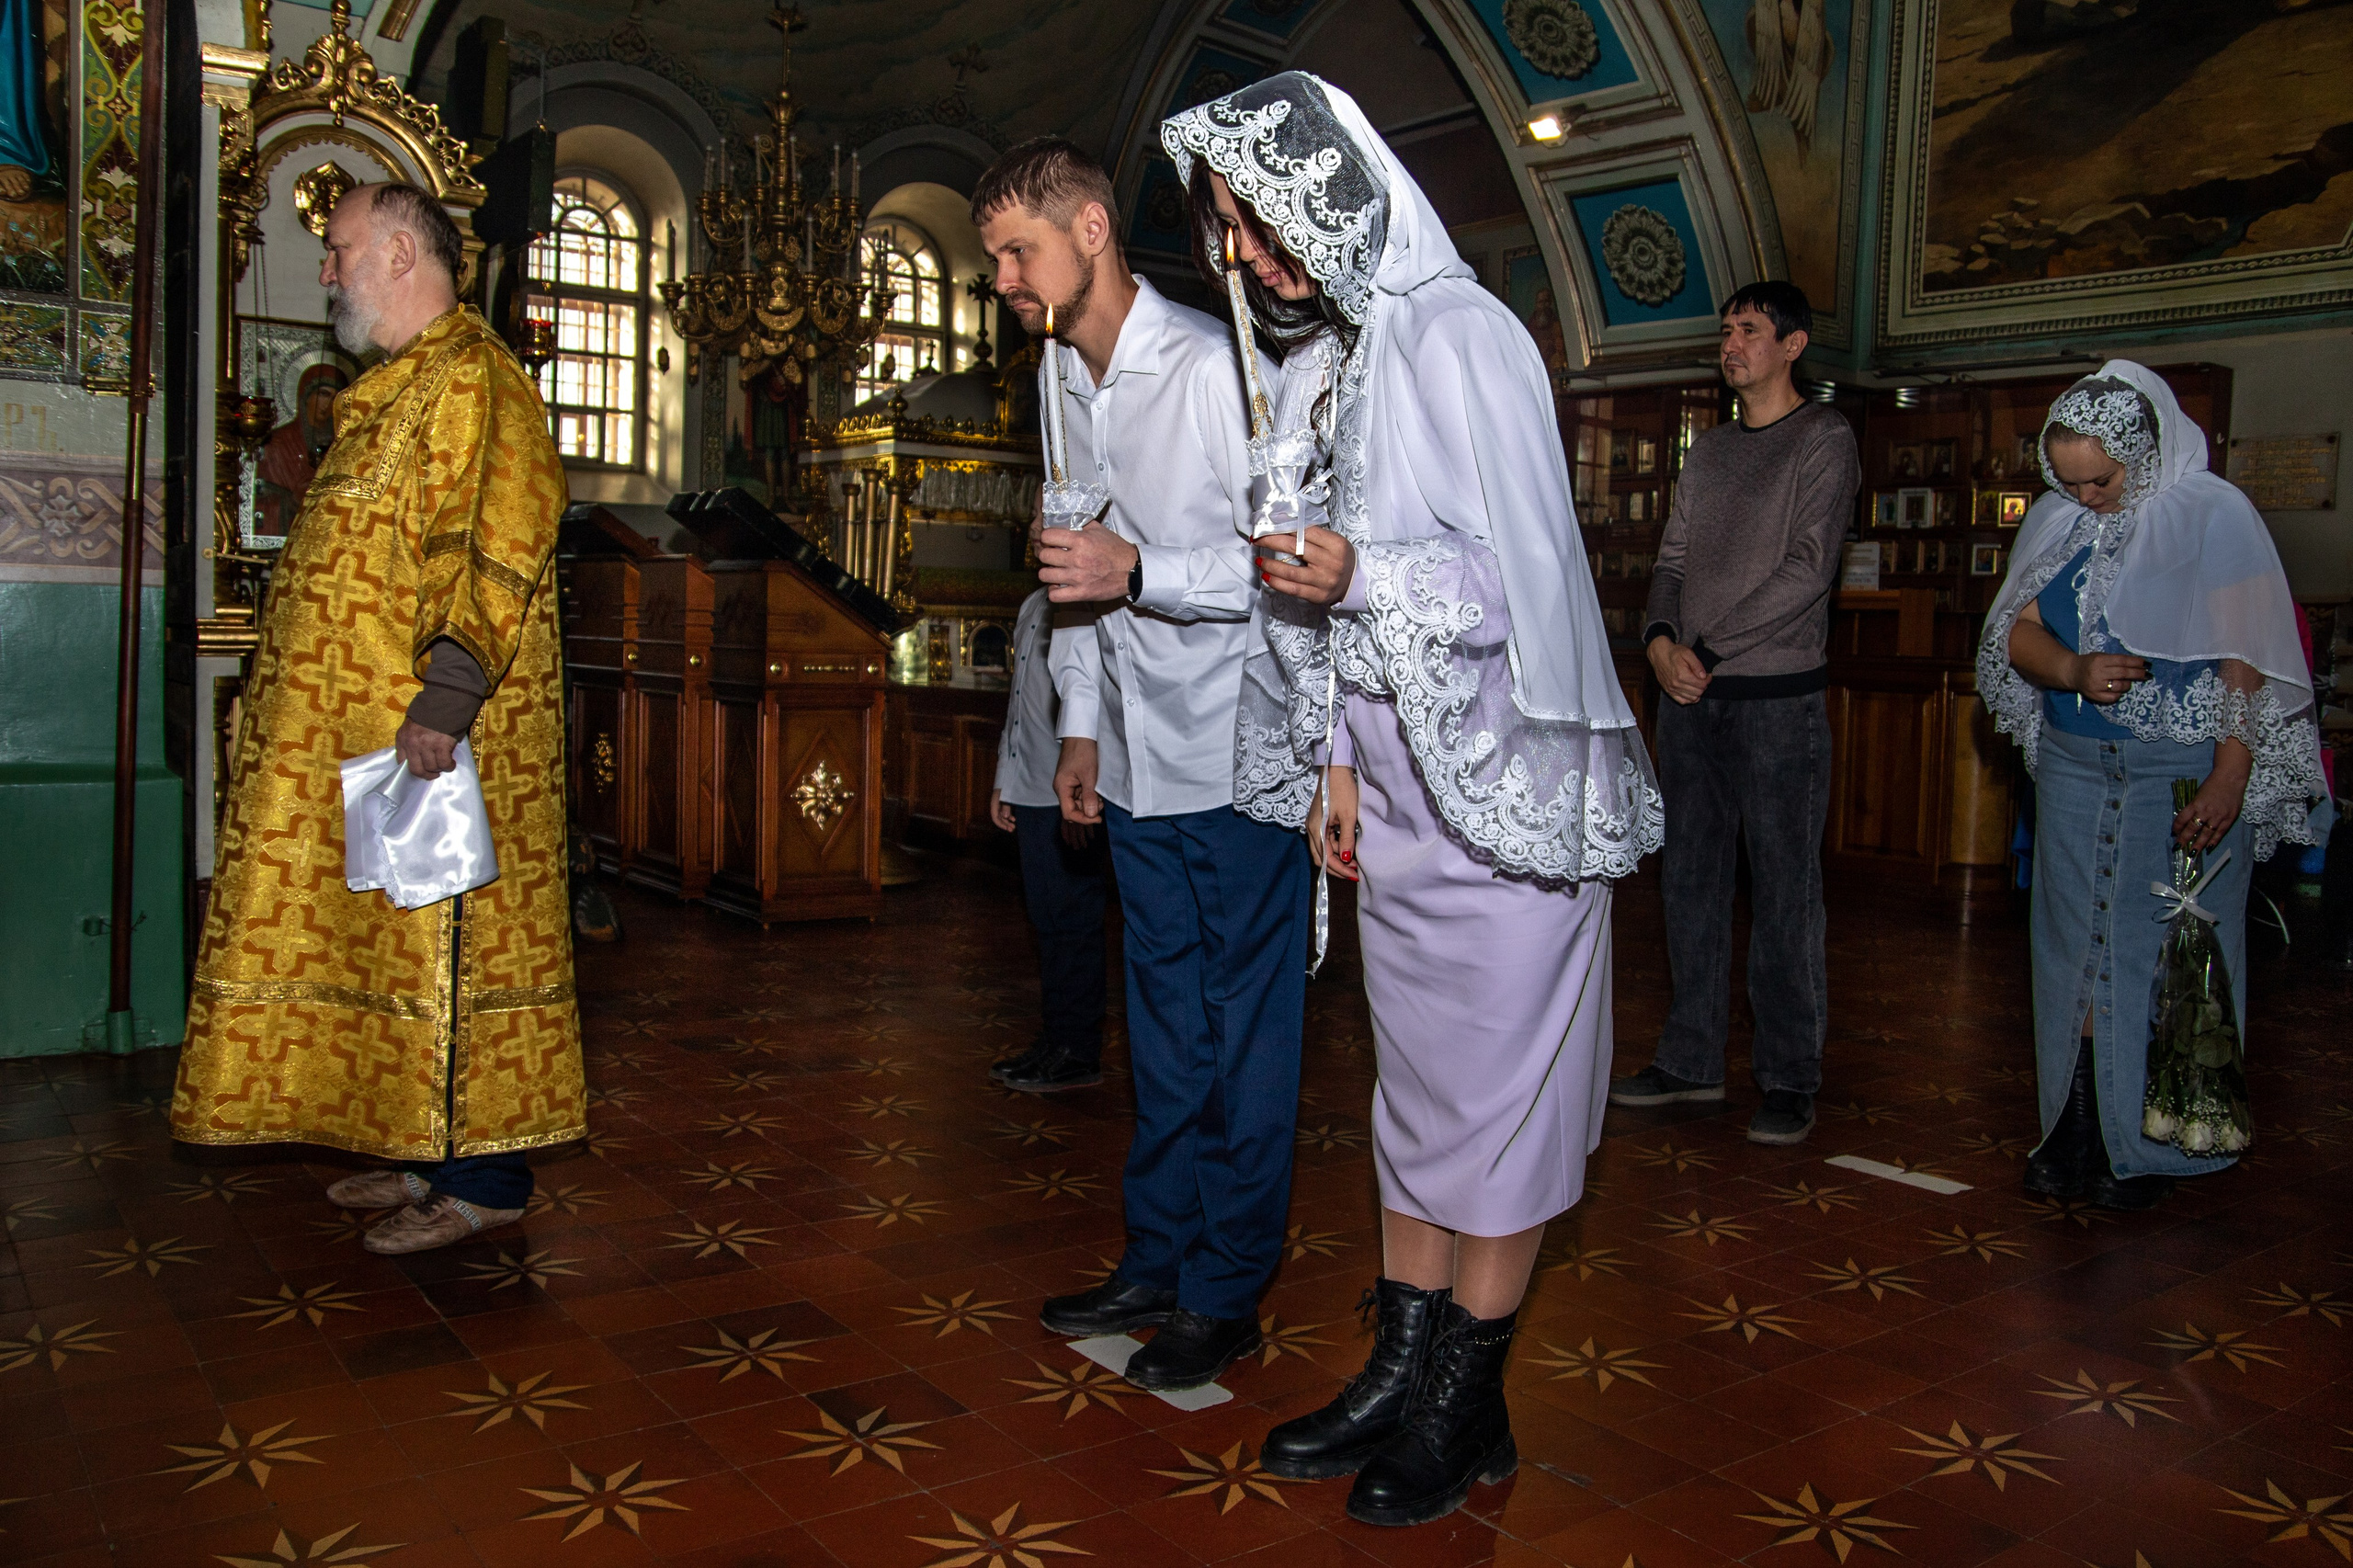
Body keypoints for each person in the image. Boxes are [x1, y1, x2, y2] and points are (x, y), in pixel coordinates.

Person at [1161, 74, 1663, 1527]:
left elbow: (1525, 585)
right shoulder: (1343, 357)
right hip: (1397, 794)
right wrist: (1331, 763)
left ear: (1339, 194)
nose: (1251, 259)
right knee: (1415, 1102)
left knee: (1500, 1111)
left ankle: (1462, 1396)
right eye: (1231, 235)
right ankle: (1404, 1367)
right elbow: (1322, 602)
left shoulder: (1464, 338)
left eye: (1264, 227)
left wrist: (1362, 575)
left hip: (1510, 801)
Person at [172, 183, 581, 1254]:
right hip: (370, 739)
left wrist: (445, 701)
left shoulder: (476, 378)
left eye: (339, 248)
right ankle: (420, 1148)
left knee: (450, 938)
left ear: (400, 252)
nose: (328, 271)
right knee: (401, 943)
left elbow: (494, 536)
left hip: (431, 740)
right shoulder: (400, 386)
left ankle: (483, 1179)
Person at [973, 137, 1309, 1392]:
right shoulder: (1063, 366)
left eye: (1021, 249)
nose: (1005, 276)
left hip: (1239, 749)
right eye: (996, 257)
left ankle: (1227, 1289)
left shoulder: (1219, 371)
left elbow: (1287, 573)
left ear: (1094, 231)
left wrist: (1147, 572)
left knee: (1243, 1037)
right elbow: (1073, 556)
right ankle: (1155, 1253)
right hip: (1134, 757)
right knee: (1162, 1025)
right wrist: (1077, 724)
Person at [1977, 362, 2325, 1210]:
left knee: (2161, 954)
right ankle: (2075, 1128)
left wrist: (2231, 773)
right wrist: (2071, 667)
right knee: (2071, 949)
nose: (2084, 495)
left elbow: (2248, 658)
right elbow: (2015, 633)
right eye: (2069, 479)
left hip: (2179, 773)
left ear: (2145, 449)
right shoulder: (2061, 519)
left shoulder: (2216, 514)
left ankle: (2150, 1146)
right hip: (2074, 764)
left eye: (2099, 478)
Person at [1608, 280, 1859, 1146]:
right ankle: (1690, 1059)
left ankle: (1790, 1075)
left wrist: (1707, 651)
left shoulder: (1823, 439)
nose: (1731, 343)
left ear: (1792, 346)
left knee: (1785, 894)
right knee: (1689, 884)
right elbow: (1672, 560)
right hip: (1690, 701)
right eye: (1725, 330)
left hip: (1776, 704)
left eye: (1749, 330)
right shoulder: (1709, 452)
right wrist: (1661, 638)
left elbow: (1808, 568)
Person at [987, 584, 1109, 1093]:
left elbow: (1093, 702)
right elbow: (1019, 704)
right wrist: (1003, 778)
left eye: (1045, 513)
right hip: (1029, 784)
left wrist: (1085, 791)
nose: (1038, 525)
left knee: (1073, 921)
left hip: (1066, 789)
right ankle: (1056, 1039)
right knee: (1048, 922)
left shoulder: (1090, 598)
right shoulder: (1032, 602)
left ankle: (1077, 1051)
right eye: (1036, 515)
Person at [255, 361, 348, 539]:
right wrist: (291, 501)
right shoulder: (277, 443)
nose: (328, 404)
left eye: (335, 398)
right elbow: (260, 501)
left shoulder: (343, 446)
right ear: (305, 396)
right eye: (323, 394)